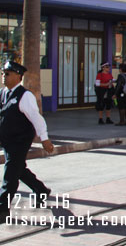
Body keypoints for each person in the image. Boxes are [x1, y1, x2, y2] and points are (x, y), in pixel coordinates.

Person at [0, 61, 54, 222]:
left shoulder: (25, 96)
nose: (4, 76)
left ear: (18, 76)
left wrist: (44, 139)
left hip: (20, 140)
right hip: (8, 140)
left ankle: (2, 208)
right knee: (18, 168)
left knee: (10, 173)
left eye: (7, 73)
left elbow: (37, 119)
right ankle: (41, 189)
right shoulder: (3, 93)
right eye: (3, 73)